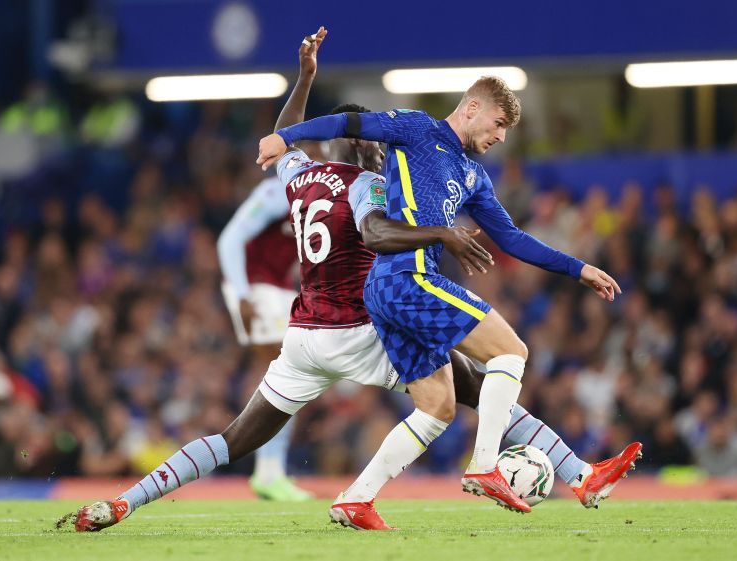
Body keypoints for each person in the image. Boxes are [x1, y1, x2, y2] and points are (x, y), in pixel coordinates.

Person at [71, 26, 497, 533]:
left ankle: (123, 503)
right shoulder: (371, 186)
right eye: (380, 144)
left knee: (234, 439)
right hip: (361, 330)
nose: (385, 151)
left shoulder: (301, 176)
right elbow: (376, 232)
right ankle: (564, 469)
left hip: (303, 335)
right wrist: (440, 234)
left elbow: (284, 136)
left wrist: (304, 78)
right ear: (372, 146)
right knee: (476, 381)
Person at [257, 69, 628, 515]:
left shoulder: (472, 176)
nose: (501, 138)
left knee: (436, 408)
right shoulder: (414, 129)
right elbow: (348, 124)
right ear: (472, 108)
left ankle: (356, 499)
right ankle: (485, 466)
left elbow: (511, 238)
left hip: (390, 290)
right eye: (497, 125)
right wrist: (288, 138)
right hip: (405, 277)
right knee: (511, 352)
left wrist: (578, 268)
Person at [217, 143, 319, 502]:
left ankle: (269, 469)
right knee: (288, 371)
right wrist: (243, 294)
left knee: (291, 371)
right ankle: (268, 471)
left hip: (273, 288)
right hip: (255, 287)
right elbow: (229, 239)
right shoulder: (276, 191)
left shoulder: (310, 196)